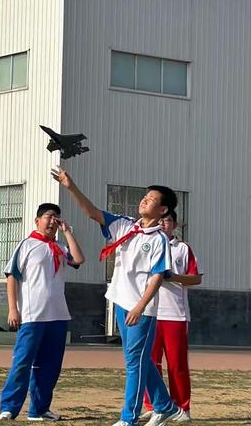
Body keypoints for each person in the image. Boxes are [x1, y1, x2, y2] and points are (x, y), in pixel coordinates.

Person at [51, 167, 186, 426]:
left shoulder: (158, 239)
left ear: (163, 211)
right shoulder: (125, 225)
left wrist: (140, 306)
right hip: (122, 302)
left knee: (134, 363)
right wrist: (71, 186)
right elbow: (93, 213)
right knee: (139, 360)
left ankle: (129, 418)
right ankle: (165, 406)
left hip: (141, 310)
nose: (144, 200)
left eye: (151, 199)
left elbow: (158, 276)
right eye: (144, 196)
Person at [0, 203, 85, 421]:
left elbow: (79, 259)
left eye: (56, 217)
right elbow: (11, 277)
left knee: (50, 366)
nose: (52, 221)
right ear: (37, 221)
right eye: (48, 216)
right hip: (32, 316)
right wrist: (13, 309)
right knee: (23, 362)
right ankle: (8, 408)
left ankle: (39, 409)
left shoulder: (60, 247)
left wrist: (67, 232)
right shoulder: (27, 245)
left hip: (58, 315)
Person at [142, 211, 203, 423]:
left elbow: (196, 279)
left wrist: (174, 277)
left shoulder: (183, 248)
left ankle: (182, 406)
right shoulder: (148, 244)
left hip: (175, 314)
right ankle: (154, 405)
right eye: (159, 221)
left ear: (174, 224)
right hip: (150, 312)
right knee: (150, 362)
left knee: (176, 364)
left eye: (166, 221)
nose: (162, 224)